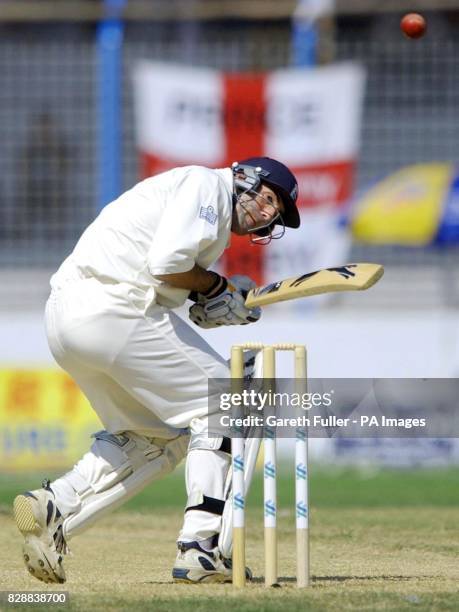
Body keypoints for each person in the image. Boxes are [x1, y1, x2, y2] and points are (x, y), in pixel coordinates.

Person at [14, 157, 300, 584]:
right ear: (245, 177)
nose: (267, 213)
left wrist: (210, 303)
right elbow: (166, 265)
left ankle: (58, 500)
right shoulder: (207, 186)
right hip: (114, 310)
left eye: (275, 213)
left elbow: (168, 278)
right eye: (269, 198)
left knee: (152, 439)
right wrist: (217, 287)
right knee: (227, 404)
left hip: (66, 319)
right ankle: (201, 547)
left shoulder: (202, 204)